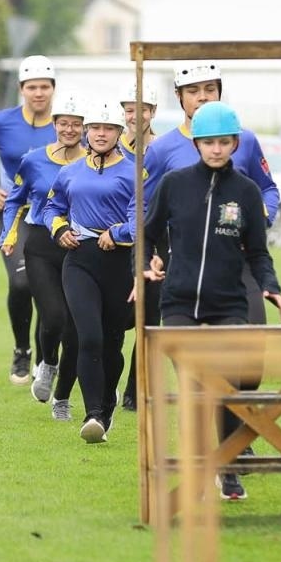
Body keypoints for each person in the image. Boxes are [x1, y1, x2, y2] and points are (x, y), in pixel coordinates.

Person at [143, 101, 281, 501]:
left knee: (227, 384)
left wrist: (270, 285)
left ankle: (228, 466)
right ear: (197, 144)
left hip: (228, 303)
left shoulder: (246, 192)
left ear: (235, 143)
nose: (217, 149)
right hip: (179, 302)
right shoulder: (174, 184)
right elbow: (147, 233)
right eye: (209, 142)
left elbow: (258, 252)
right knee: (193, 384)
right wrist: (145, 263)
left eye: (224, 142)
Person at [46, 100, 144, 443]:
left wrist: (116, 234)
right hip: (79, 261)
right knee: (88, 337)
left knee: (113, 344)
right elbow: (52, 207)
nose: (101, 134)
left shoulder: (135, 173)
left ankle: (107, 406)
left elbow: (140, 220)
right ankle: (93, 415)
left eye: (109, 128)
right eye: (96, 128)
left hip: (119, 263)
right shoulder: (69, 172)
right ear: (87, 131)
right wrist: (59, 229)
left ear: (119, 132)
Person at [0, 55, 59, 385]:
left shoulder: (64, 123)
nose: (39, 93)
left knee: (49, 287)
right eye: (32, 87)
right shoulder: (1, 122)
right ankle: (22, 350)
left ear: (53, 89)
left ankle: (45, 357)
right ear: (21, 89)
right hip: (15, 214)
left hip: (53, 215)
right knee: (22, 283)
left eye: (45, 87)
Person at [0, 95, 86, 416]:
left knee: (76, 328)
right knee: (53, 316)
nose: (69, 129)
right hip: (41, 245)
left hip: (80, 246)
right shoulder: (33, 160)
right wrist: (9, 234)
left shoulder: (95, 161)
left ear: (85, 128)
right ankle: (48, 362)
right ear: (54, 124)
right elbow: (14, 200)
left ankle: (62, 398)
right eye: (63, 123)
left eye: (76, 124)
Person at [117, 80, 160, 411]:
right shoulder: (110, 146)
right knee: (115, 321)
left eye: (141, 110)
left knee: (149, 321)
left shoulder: (162, 150)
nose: (135, 116)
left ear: (153, 112)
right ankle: (107, 384)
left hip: (151, 246)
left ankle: (134, 390)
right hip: (114, 246)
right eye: (130, 110)